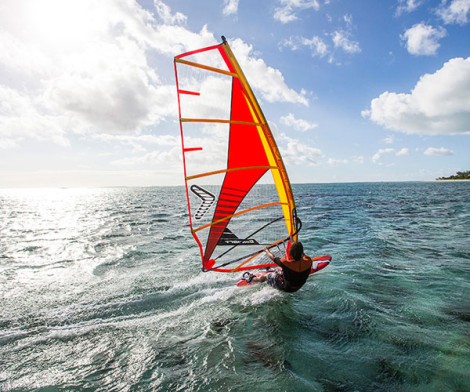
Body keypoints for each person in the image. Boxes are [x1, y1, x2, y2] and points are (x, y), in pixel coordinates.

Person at [245, 241, 313, 292]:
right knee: (283, 269)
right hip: (298, 287)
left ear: (291, 254)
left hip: (286, 288)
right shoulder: (308, 260)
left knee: (267, 276)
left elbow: (273, 257)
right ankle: (278, 272)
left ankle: (252, 279)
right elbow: (302, 254)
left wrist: (266, 250)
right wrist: (293, 241)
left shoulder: (285, 262)